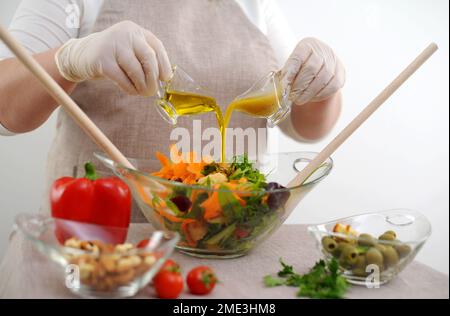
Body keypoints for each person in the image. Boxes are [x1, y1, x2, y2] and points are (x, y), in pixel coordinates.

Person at [0, 0, 345, 221]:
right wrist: (71, 60)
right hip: (103, 240)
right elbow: (6, 111)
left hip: (231, 235)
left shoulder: (256, 5)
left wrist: (323, 85)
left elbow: (305, 127)